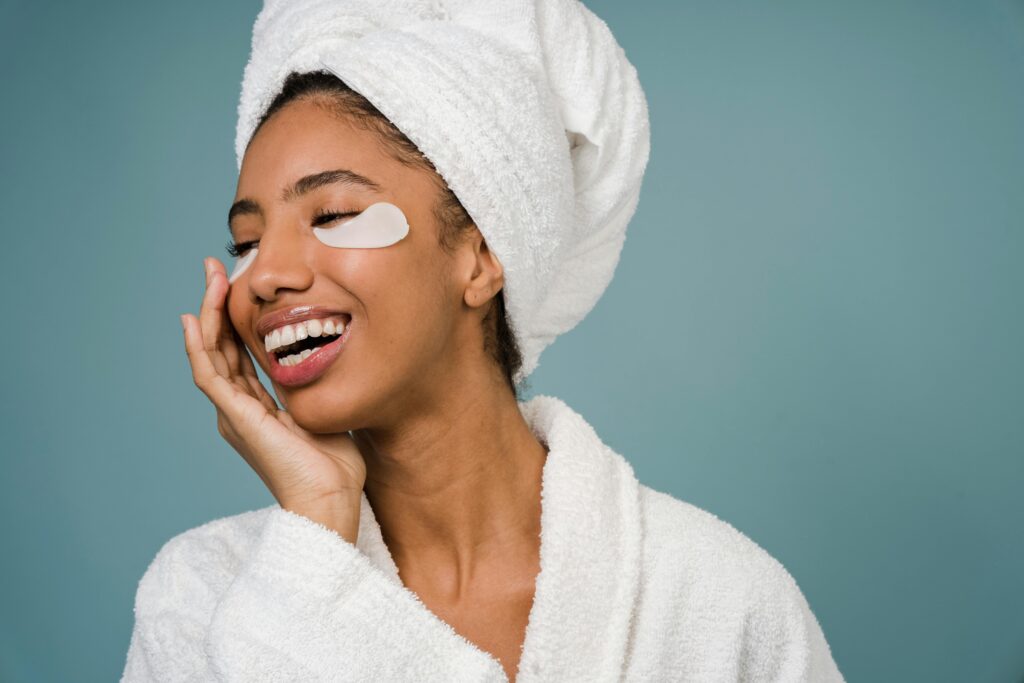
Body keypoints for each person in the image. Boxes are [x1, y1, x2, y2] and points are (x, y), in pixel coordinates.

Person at [121, 1, 844, 681]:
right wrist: (316, 533)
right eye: (246, 242)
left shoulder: (719, 601)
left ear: (480, 256)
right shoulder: (199, 598)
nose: (265, 274)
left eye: (333, 214)